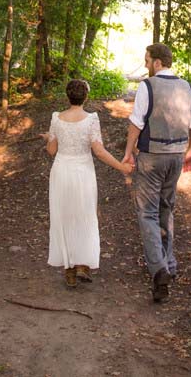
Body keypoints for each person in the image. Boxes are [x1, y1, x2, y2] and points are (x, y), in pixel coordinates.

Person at [122, 43, 191, 303]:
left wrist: (128, 151)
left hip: (151, 157)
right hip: (177, 156)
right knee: (167, 207)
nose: (145, 65)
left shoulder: (148, 86)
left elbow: (137, 121)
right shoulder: (187, 88)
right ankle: (170, 263)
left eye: (147, 60)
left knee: (147, 212)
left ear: (157, 62)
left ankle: (159, 271)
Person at [44, 78, 133, 288]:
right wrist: (121, 168)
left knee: (63, 217)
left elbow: (51, 150)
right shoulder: (91, 119)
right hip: (83, 171)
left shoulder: (56, 118)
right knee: (84, 215)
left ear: (68, 96)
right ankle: (83, 264)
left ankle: (69, 270)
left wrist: (48, 137)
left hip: (62, 171)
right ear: (86, 97)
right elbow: (99, 151)